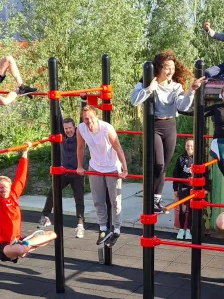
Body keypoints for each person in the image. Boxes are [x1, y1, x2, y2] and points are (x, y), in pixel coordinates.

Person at [131, 50, 206, 213]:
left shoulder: (176, 86)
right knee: (158, 163)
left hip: (170, 125)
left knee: (163, 166)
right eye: (166, 67)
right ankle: (149, 198)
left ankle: (156, 200)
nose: (170, 70)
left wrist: (192, 91)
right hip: (154, 126)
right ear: (159, 68)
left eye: (172, 67)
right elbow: (133, 100)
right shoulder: (147, 81)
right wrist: (149, 89)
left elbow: (182, 106)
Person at [0, 142, 57, 263]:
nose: (2, 189)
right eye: (0, 187)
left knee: (52, 234)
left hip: (18, 241)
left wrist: (25, 153)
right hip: (2, 246)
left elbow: (20, 179)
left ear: (10, 187)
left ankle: (25, 246)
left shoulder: (13, 196)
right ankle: (24, 248)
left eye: (5, 187)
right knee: (20, 248)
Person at [76, 104, 128, 248]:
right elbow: (80, 148)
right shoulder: (81, 128)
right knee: (98, 200)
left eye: (91, 118)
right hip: (95, 167)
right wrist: (79, 166)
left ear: (96, 116)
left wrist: (124, 168)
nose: (89, 122)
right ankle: (103, 228)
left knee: (115, 200)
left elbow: (118, 147)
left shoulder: (106, 128)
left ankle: (116, 229)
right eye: (86, 119)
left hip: (111, 167)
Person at [39, 117, 86, 239]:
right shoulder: (61, 136)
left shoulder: (80, 135)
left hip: (77, 173)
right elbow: (57, 115)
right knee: (52, 192)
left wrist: (83, 99)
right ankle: (45, 217)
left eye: (70, 128)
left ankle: (80, 226)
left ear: (75, 127)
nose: (68, 130)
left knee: (79, 200)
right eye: (66, 128)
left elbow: (83, 120)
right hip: (64, 172)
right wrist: (56, 100)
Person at [172, 139, 194, 240]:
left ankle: (189, 229)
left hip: (194, 187)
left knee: (192, 210)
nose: (189, 148)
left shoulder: (198, 159)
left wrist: (204, 188)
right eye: (188, 146)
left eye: (191, 146)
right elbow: (176, 174)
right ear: (185, 146)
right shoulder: (181, 158)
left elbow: (204, 174)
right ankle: (181, 229)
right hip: (184, 186)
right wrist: (175, 188)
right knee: (183, 209)